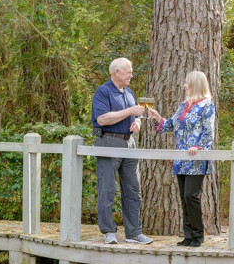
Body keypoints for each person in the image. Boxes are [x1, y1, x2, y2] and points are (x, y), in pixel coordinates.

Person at [149, 70, 216, 247]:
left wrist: (198, 146)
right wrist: (157, 118)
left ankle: (198, 234)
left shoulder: (207, 105)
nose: (184, 86)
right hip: (180, 159)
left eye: (187, 83)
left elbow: (209, 132)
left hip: (196, 158)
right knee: (183, 198)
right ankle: (188, 235)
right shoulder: (183, 105)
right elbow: (170, 124)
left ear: (195, 85)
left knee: (190, 195)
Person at [91, 57, 153, 245]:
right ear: (116, 72)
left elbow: (136, 115)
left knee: (133, 190)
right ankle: (109, 232)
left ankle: (134, 233)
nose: (131, 75)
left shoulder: (129, 92)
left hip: (130, 145)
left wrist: (137, 122)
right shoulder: (103, 92)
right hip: (108, 142)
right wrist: (129, 112)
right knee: (107, 190)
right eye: (128, 72)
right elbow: (102, 119)